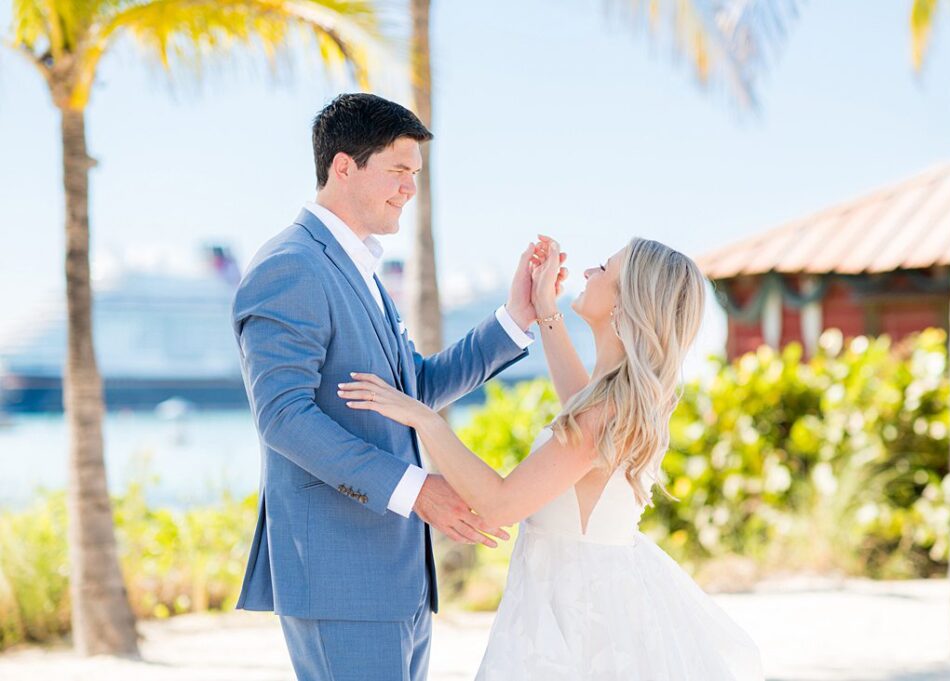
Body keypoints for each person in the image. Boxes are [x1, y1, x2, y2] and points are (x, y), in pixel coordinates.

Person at [232, 93, 564, 681]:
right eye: (399, 170)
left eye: (415, 174)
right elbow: (283, 416)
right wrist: (415, 490)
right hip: (340, 576)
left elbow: (415, 389)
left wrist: (516, 317)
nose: (410, 188)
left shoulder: (360, 268)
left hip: (396, 573)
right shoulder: (291, 265)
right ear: (343, 166)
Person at [338, 236, 764, 680]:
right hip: (584, 599)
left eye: (603, 269)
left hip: (572, 619)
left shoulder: (603, 414)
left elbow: (502, 504)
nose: (587, 273)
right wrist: (544, 307)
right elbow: (577, 400)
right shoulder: (614, 400)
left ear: (626, 303)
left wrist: (423, 418)